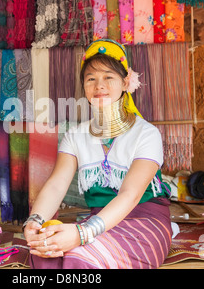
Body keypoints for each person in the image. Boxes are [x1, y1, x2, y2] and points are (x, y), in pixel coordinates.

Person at [23, 39, 172, 269]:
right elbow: (56, 185)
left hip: (144, 222)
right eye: (91, 78)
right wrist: (35, 220)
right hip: (97, 221)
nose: (99, 85)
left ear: (125, 83)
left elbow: (130, 196)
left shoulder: (146, 134)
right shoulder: (76, 135)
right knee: (46, 252)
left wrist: (82, 234)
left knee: (82, 258)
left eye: (108, 77)